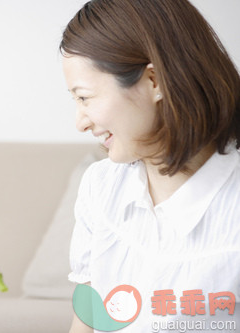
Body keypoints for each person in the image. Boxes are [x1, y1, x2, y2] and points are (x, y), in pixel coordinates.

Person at [60, 0, 240, 331]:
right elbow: (86, 322)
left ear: (154, 81)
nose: (80, 122)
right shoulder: (100, 188)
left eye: (85, 97)